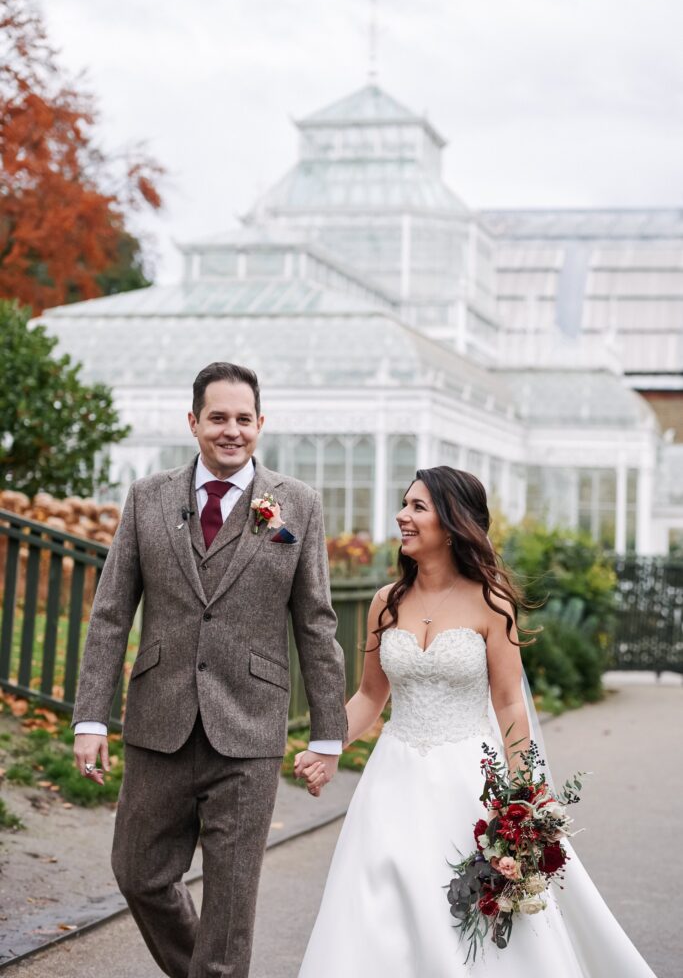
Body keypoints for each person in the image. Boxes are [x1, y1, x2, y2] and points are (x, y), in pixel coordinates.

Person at [297, 466, 656, 977]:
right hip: (391, 781)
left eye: (417, 507)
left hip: (469, 781)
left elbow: (510, 703)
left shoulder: (491, 604)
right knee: (377, 902)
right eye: (404, 504)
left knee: (466, 911)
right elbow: (370, 697)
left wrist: (524, 796)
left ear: (452, 523)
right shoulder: (386, 603)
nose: (402, 515)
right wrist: (325, 747)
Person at [72, 361, 347, 978]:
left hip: (248, 731)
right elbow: (112, 613)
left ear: (261, 425)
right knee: (138, 874)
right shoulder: (148, 497)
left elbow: (316, 624)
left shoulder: (296, 505)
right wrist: (90, 717)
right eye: (217, 417)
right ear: (193, 421)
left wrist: (328, 737)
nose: (231, 430)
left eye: (243, 419)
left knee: (229, 907)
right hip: (158, 721)